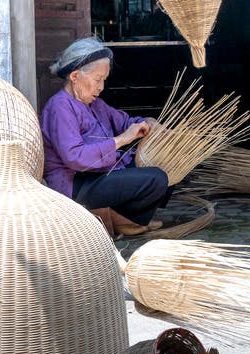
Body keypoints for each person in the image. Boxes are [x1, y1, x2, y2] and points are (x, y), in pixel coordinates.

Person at [39, 37, 169, 236]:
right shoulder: (59, 107)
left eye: (104, 80)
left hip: (100, 176)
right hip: (76, 185)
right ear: (75, 76)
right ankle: (128, 221)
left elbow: (125, 122)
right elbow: (75, 157)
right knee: (156, 178)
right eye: (97, 79)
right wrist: (123, 139)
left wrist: (149, 122)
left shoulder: (95, 104)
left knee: (166, 166)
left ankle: (123, 218)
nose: (101, 87)